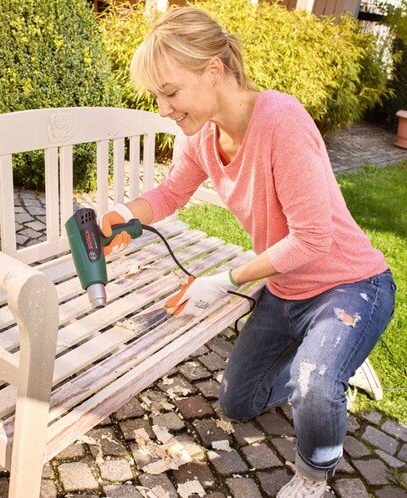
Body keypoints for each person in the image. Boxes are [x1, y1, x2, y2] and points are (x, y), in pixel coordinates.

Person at [99, 6, 396, 498]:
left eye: (170, 92)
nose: (164, 109)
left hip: (351, 287)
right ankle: (333, 355)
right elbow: (171, 193)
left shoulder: (282, 121)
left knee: (314, 384)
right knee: (239, 401)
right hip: (286, 289)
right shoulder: (204, 137)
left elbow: (312, 238)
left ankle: (314, 472)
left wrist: (227, 280)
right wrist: (123, 213)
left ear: (213, 70)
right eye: (157, 97)